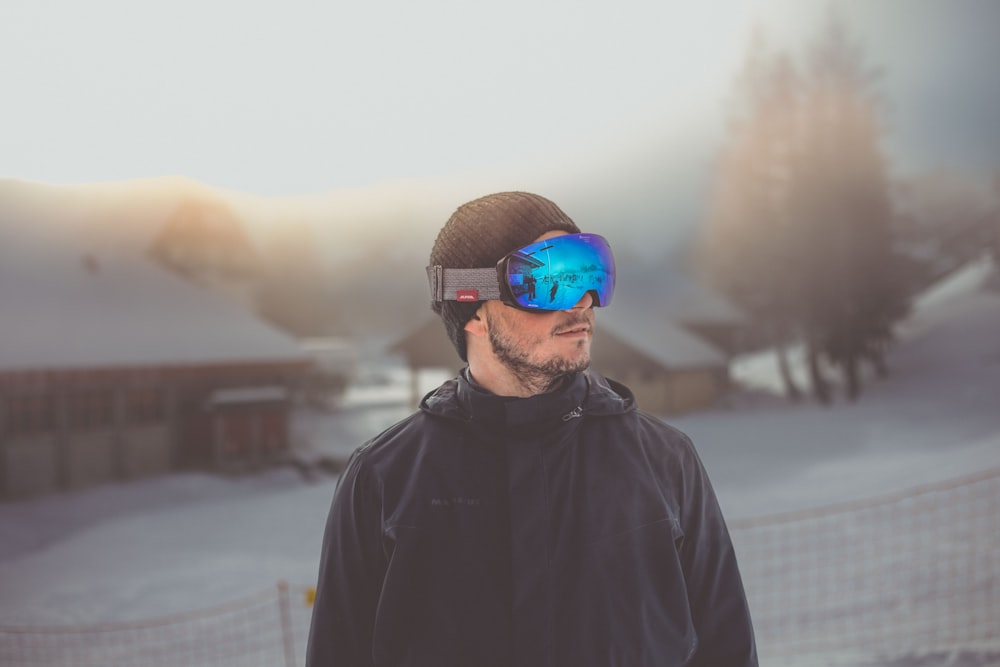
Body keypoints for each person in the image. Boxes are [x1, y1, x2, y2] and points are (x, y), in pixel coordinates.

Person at [306, 192, 758, 667]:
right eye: (550, 279)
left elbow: (727, 650)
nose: (583, 301)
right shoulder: (383, 479)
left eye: (588, 274)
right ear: (473, 308)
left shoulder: (665, 462)